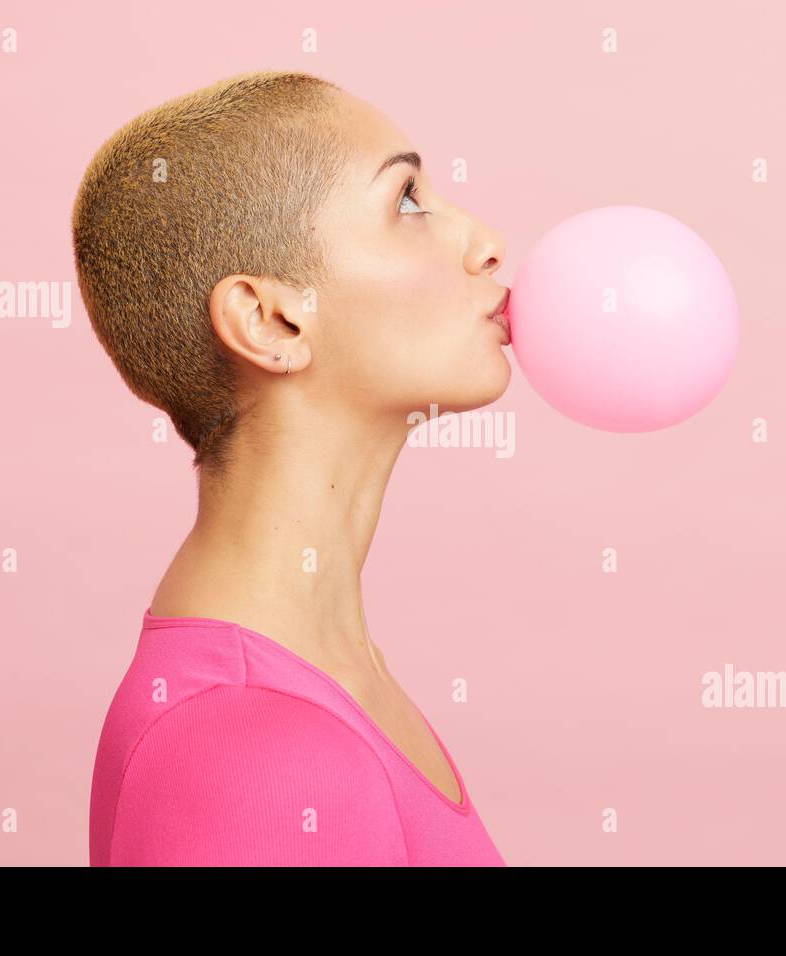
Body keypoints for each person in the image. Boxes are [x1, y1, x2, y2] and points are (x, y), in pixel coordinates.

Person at [72, 70, 510, 865]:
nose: (485, 242)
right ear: (270, 319)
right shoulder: (256, 755)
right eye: (407, 201)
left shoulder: (327, 683)